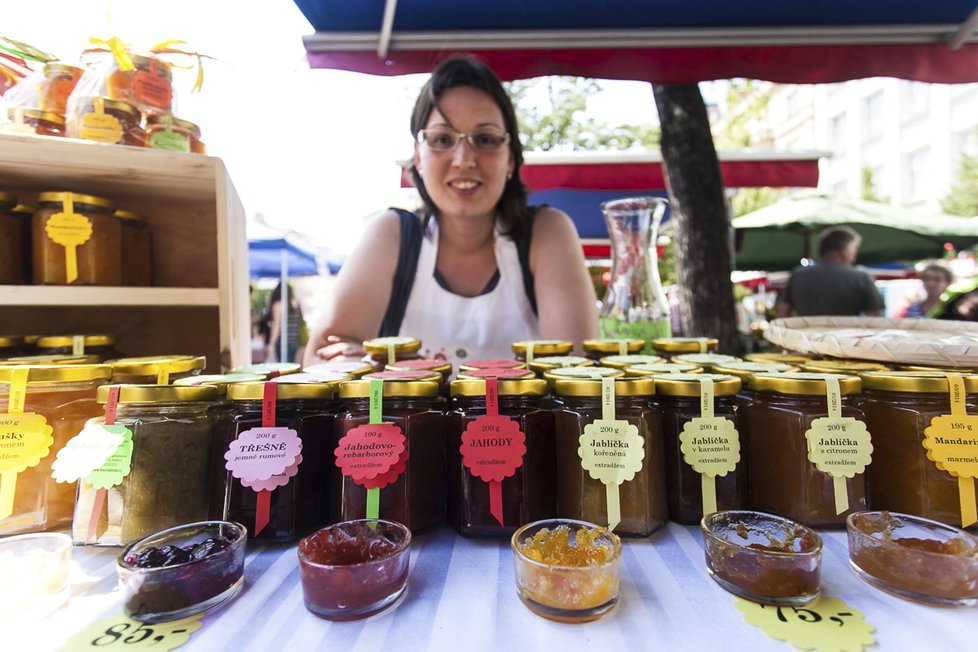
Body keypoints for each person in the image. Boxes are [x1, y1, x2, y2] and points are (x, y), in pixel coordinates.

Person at [304, 55, 598, 365]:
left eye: (485, 139)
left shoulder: (546, 232)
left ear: (510, 158)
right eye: (443, 139)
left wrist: (397, 368)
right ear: (418, 156)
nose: (463, 159)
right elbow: (321, 357)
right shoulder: (391, 234)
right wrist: (351, 362)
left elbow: (574, 369)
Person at [776, 226, 884, 318]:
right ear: (845, 250)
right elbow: (876, 319)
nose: (855, 254)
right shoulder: (861, 277)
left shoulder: (797, 275)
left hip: (804, 340)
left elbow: (782, 315)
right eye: (855, 249)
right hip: (845, 341)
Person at [267, 281, 304, 363]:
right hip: (296, 342)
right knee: (292, 368)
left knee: (284, 368)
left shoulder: (278, 305)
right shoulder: (296, 304)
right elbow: (300, 323)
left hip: (283, 343)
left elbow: (276, 326)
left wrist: (271, 343)